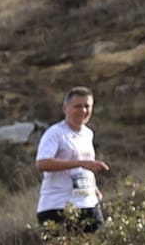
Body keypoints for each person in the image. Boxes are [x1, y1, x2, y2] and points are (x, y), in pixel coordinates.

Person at [35, 87, 109, 231]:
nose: (83, 111)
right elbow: (42, 163)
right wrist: (81, 164)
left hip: (87, 204)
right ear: (65, 108)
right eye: (78, 106)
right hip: (59, 205)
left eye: (87, 106)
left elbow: (85, 166)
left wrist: (94, 188)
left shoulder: (88, 134)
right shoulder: (55, 133)